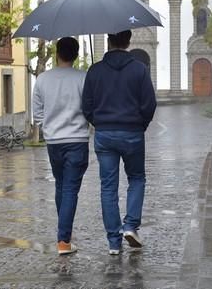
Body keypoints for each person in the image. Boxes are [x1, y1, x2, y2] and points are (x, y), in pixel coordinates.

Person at [82, 30, 157, 255]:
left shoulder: (95, 70)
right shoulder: (139, 69)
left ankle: (114, 242)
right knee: (136, 178)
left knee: (108, 187)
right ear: (128, 41)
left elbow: (86, 105)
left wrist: (98, 122)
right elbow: (149, 104)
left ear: (108, 41)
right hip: (132, 133)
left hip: (104, 135)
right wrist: (140, 125)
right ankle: (131, 226)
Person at [32, 37, 89, 255]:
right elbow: (90, 107)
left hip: (53, 141)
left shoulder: (43, 79)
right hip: (76, 140)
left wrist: (47, 127)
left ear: (57, 53)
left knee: (61, 185)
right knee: (70, 189)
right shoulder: (83, 78)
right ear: (75, 55)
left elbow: (37, 113)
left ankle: (64, 232)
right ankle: (63, 240)